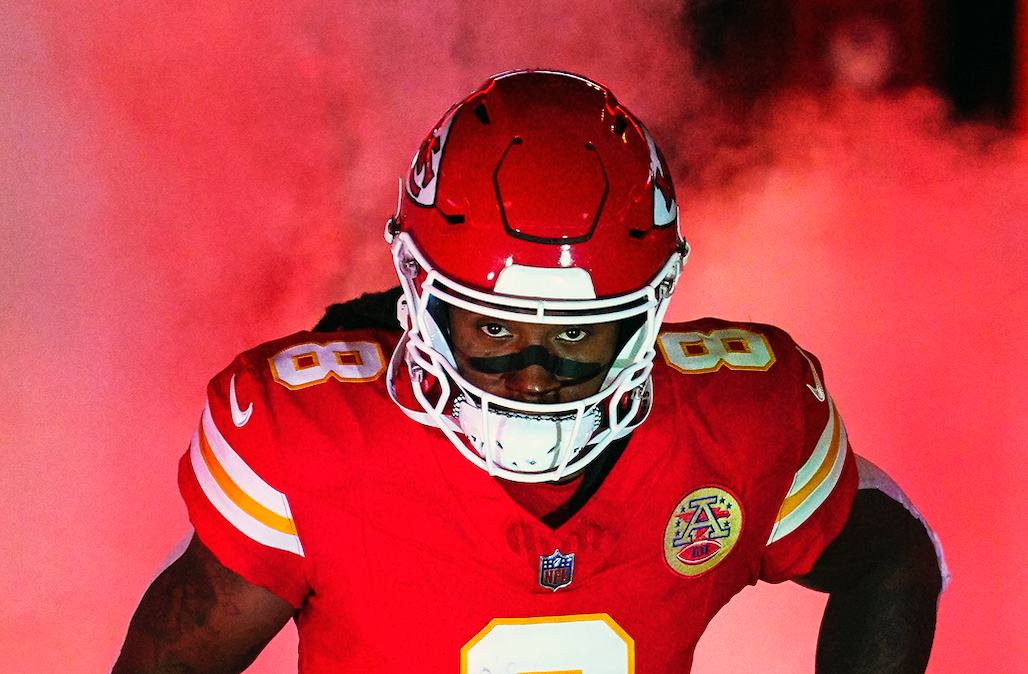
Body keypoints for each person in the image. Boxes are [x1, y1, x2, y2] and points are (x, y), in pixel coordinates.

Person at [112, 70, 945, 674]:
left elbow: (892, 558)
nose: (534, 376)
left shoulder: (739, 423)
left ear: (648, 314)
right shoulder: (318, 446)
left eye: (578, 335)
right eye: (494, 327)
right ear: (417, 296)